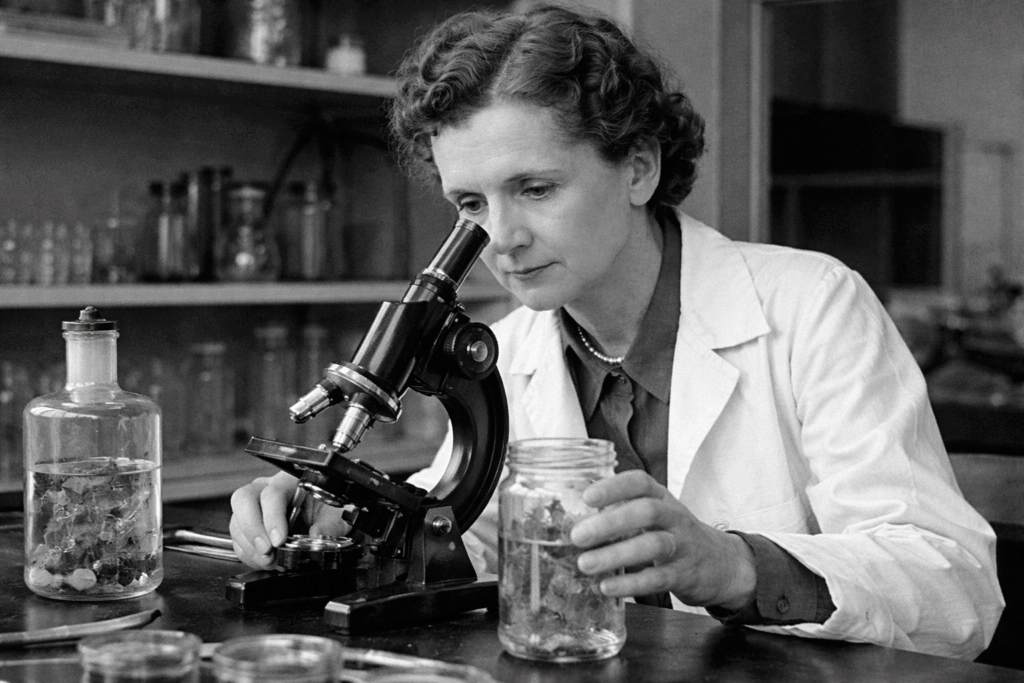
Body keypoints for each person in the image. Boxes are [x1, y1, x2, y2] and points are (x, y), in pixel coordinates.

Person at [228, 3, 1003, 660]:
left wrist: (734, 564)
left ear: (638, 168)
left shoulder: (813, 306)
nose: (503, 238)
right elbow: (468, 536)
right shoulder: (515, 350)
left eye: (535, 188)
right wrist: (335, 524)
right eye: (471, 204)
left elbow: (955, 587)